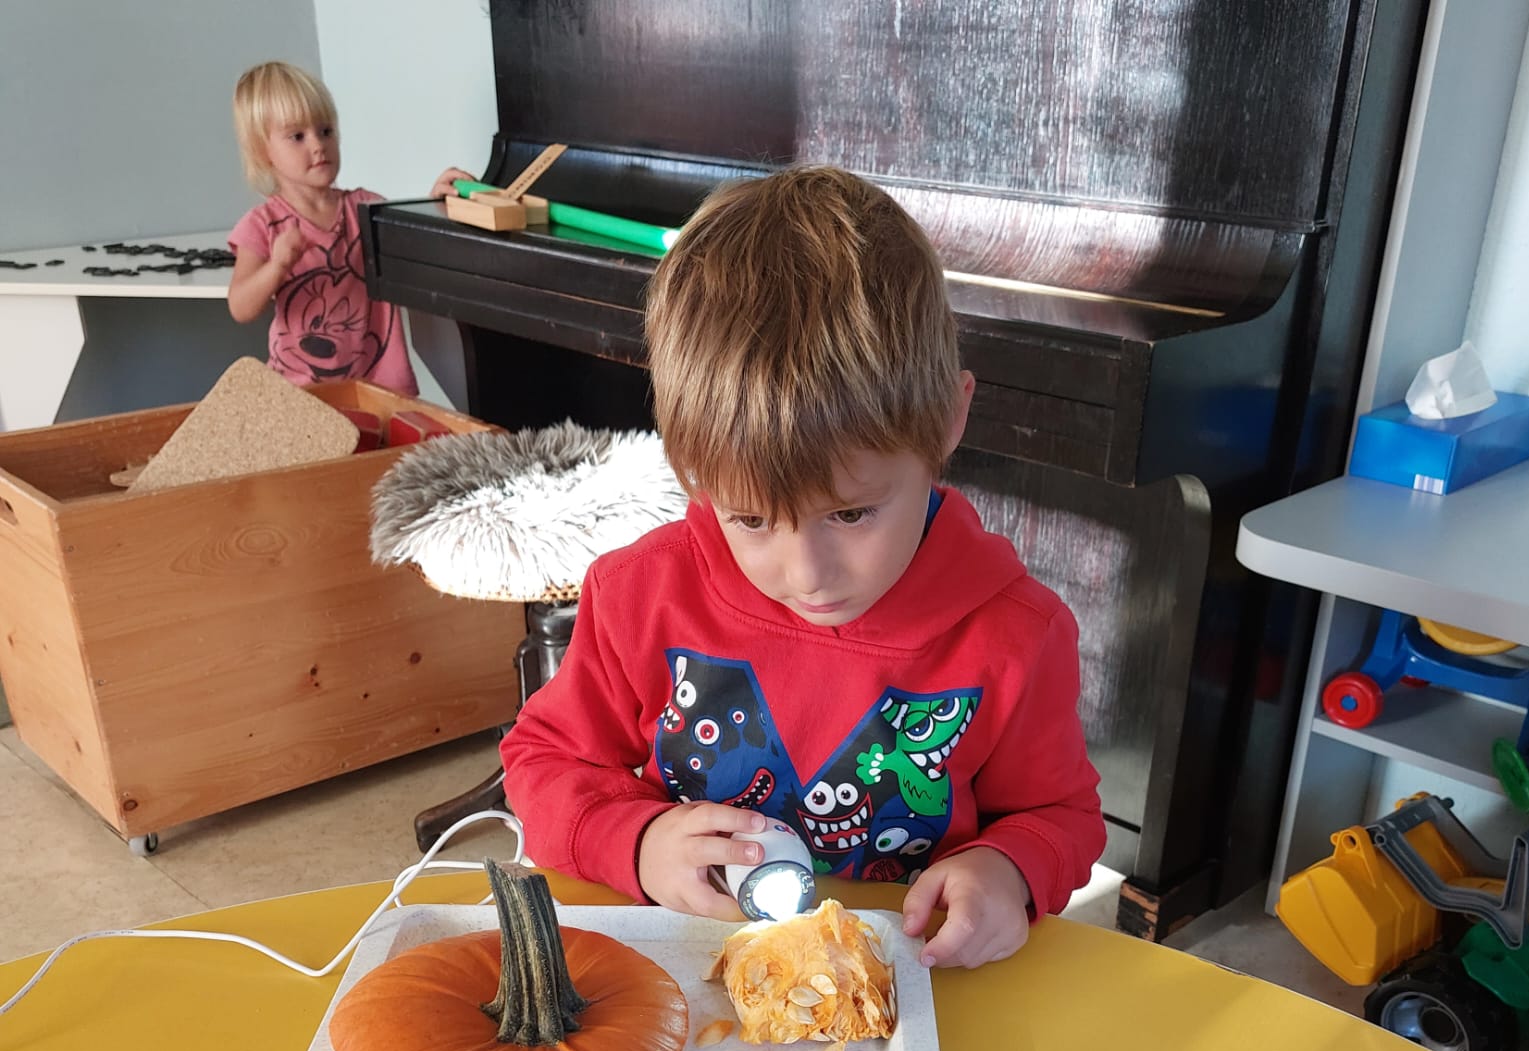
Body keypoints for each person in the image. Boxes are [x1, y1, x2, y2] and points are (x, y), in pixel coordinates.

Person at [500, 166, 1105, 969]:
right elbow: (542, 761)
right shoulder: (640, 593)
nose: (806, 574)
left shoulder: (1016, 637)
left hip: (906, 991)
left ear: (948, 420)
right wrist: (636, 841)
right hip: (687, 975)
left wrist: (1009, 868)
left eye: (850, 514)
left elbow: (1060, 817)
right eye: (750, 519)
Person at [226, 61, 472, 392]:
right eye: (297, 136)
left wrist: (434, 204)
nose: (318, 145)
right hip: (303, 396)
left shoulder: (366, 207)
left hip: (380, 390)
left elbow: (414, 251)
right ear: (263, 151)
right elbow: (240, 307)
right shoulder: (262, 224)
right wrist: (277, 266)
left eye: (325, 131)